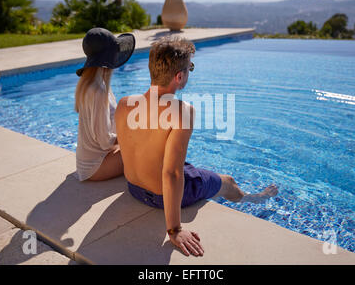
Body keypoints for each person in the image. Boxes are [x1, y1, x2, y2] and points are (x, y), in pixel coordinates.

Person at [115, 37, 278, 257]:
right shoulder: (182, 111)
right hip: (160, 197)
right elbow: (171, 173)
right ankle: (252, 197)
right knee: (227, 181)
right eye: (189, 67)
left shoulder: (125, 104)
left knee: (181, 163)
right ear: (179, 76)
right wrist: (174, 230)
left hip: (134, 189)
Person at [75, 27, 135, 182]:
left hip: (86, 163)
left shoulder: (87, 83)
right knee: (146, 149)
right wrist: (131, 136)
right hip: (96, 166)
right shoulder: (99, 91)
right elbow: (104, 141)